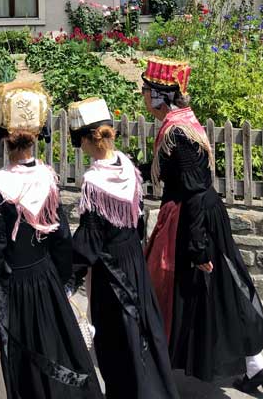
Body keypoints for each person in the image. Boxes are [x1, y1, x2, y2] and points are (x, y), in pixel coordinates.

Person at [141, 57, 263, 394]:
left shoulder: (178, 133)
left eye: (145, 89)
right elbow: (176, 174)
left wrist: (197, 244)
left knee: (195, 292)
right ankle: (253, 364)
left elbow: (194, 189)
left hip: (192, 219)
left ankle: (154, 355)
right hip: (195, 215)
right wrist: (133, 169)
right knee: (219, 291)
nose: (142, 95)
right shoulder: (181, 122)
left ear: (160, 95)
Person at [0, 81, 102, 399]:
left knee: (20, 368)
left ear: (4, 136)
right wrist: (63, 283)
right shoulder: (47, 177)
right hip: (45, 281)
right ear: (37, 136)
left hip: (13, 288)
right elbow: (61, 238)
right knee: (56, 356)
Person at [68, 97, 180, 399]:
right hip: (134, 261)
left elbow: (91, 239)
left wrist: (69, 273)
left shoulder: (94, 181)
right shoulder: (128, 166)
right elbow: (138, 218)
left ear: (89, 141)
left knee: (119, 340)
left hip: (111, 271)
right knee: (143, 331)